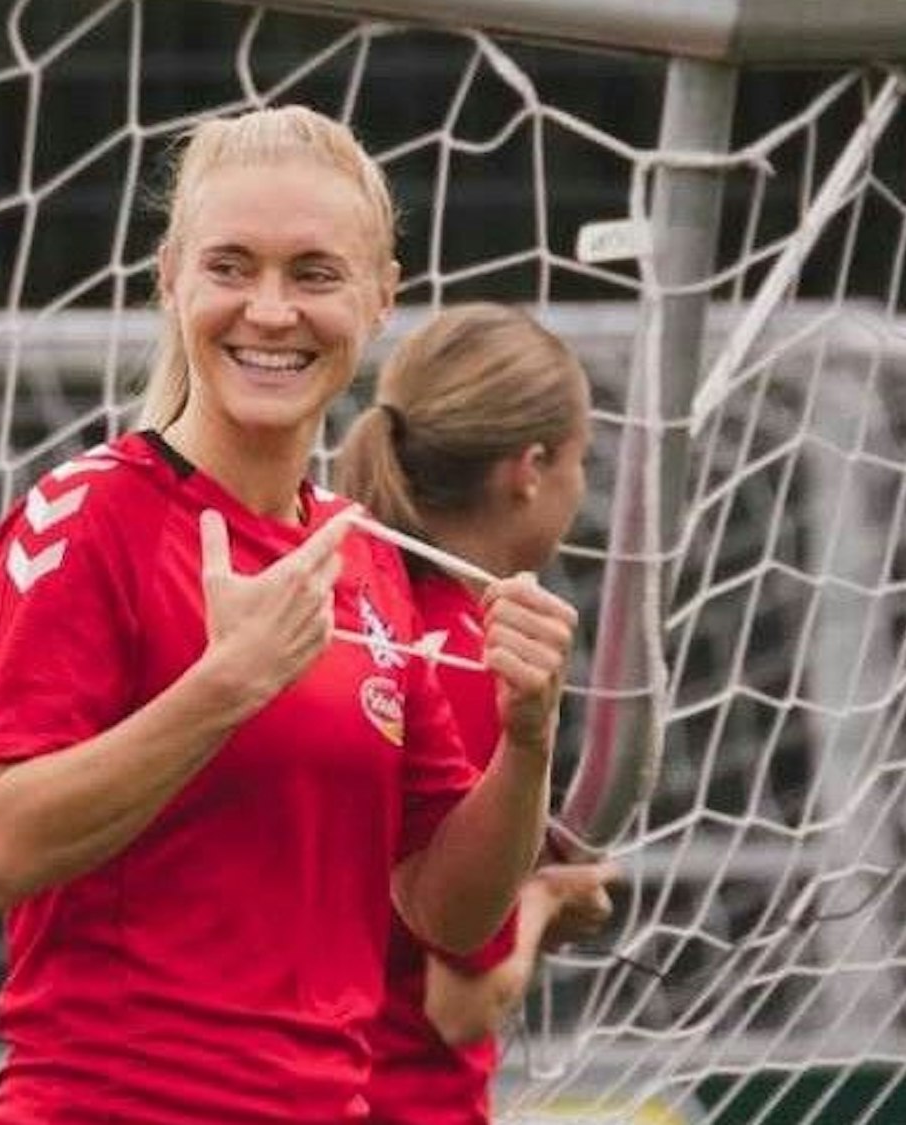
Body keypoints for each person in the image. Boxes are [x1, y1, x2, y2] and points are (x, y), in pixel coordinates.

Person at [0, 105, 579, 1123]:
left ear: (380, 299)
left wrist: (528, 737)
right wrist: (223, 687)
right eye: (230, 267)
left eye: (313, 275)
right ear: (170, 280)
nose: (270, 311)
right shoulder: (90, 514)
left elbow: (446, 912)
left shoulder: (360, 555)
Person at [334, 303, 620, 1125]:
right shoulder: (472, 661)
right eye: (582, 460)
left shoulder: (368, 607)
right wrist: (542, 902)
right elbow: (459, 1005)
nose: (581, 486)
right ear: (528, 468)